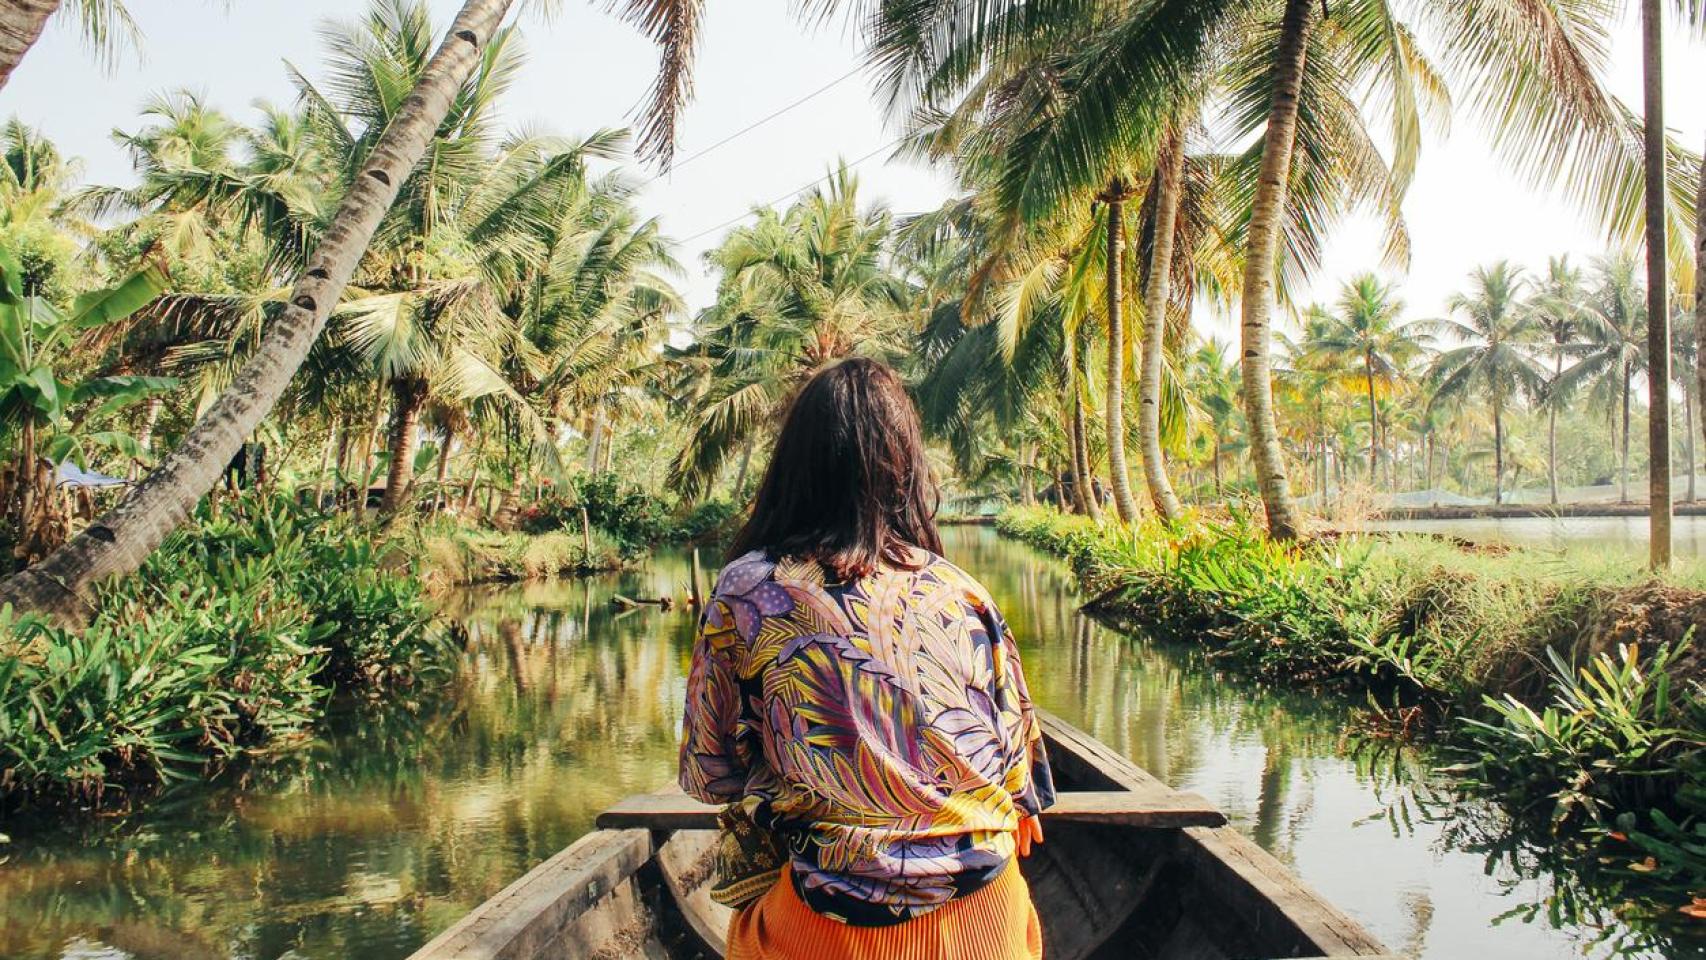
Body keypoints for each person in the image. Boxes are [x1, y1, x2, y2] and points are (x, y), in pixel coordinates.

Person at [678, 357, 1055, 960]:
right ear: (904, 468)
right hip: (990, 922)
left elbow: (710, 773)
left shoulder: (748, 590)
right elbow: (1023, 787)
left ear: (794, 467)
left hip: (834, 931)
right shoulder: (961, 590)